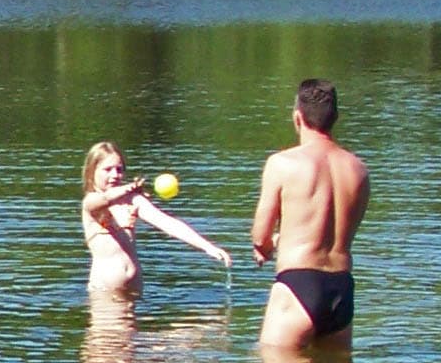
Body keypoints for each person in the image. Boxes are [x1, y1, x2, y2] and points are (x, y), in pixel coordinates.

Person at [250, 77, 369, 347]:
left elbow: (260, 237)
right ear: (336, 117)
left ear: (297, 118)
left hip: (298, 285)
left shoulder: (282, 164)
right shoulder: (359, 170)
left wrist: (269, 245)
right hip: (342, 290)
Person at [81, 141, 231, 295]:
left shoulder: (132, 200)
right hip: (104, 294)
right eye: (107, 169)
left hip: (134, 291)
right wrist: (130, 187)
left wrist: (207, 246)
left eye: (119, 169)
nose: (115, 175)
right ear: (92, 172)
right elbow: (106, 198)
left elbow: (167, 223)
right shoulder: (91, 203)